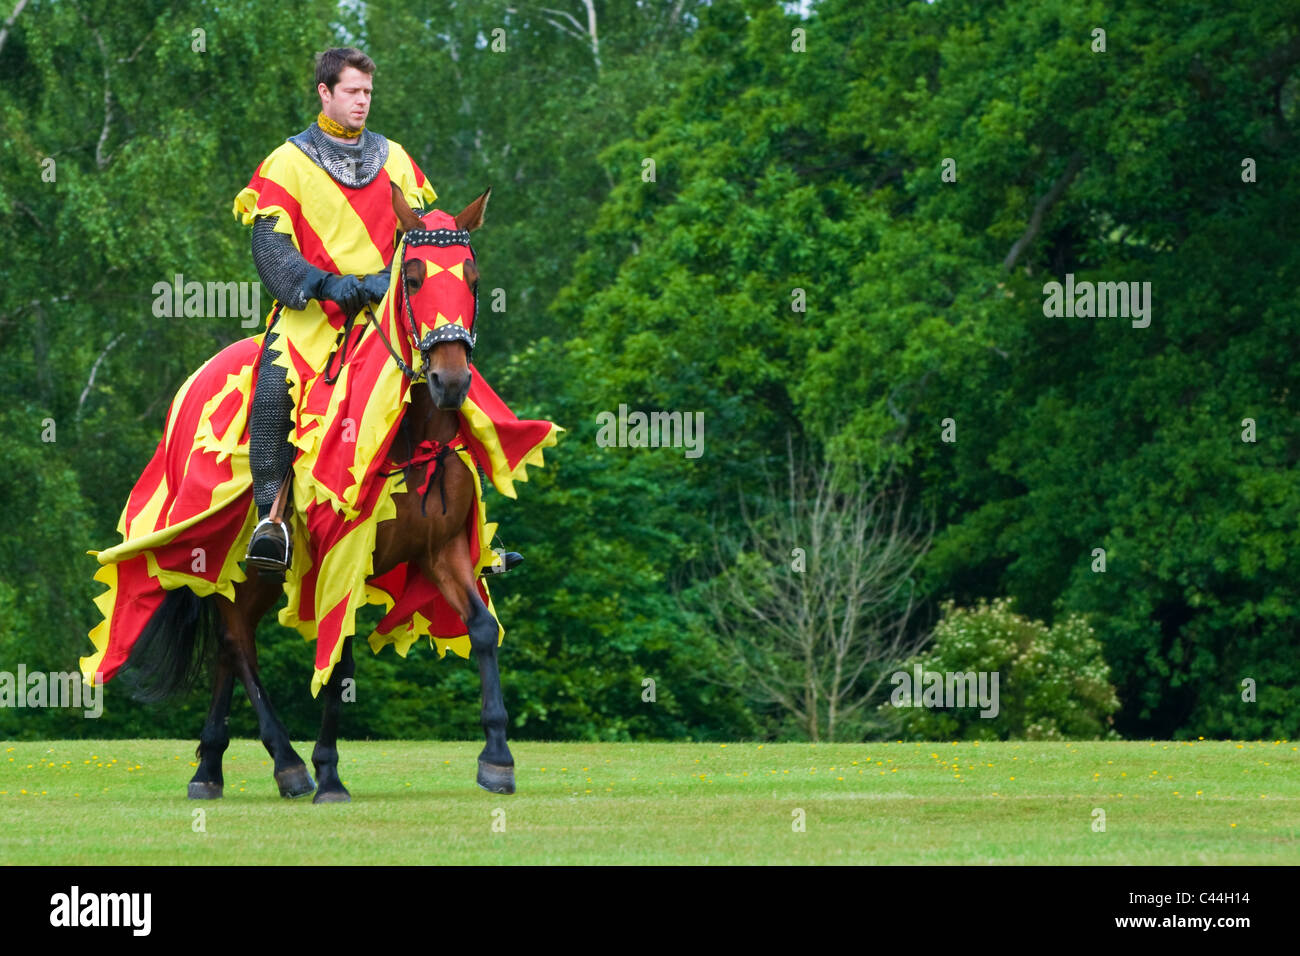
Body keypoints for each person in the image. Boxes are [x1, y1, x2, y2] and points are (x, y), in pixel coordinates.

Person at [234, 46, 520, 576]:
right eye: (351, 91)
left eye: (367, 92)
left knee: (454, 375)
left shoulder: (396, 158)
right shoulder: (287, 163)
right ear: (325, 92)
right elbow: (271, 250)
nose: (362, 101)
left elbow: (426, 232)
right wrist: (329, 284)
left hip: (386, 317)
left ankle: (470, 532)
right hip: (312, 318)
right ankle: (271, 522)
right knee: (274, 390)